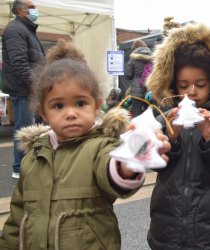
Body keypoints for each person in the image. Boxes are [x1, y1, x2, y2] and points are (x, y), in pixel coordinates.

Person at [0, 40, 170, 249]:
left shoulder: (100, 146)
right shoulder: (32, 158)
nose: (71, 113)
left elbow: (112, 171)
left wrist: (131, 159)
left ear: (97, 105)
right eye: (58, 105)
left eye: (80, 103)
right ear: (42, 112)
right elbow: (17, 217)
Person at [145, 23, 210, 249]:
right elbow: (146, 160)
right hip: (166, 230)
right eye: (183, 85)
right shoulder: (164, 120)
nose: (191, 91)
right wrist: (170, 139)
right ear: (173, 86)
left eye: (200, 84)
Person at [1, 0, 45, 179]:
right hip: (24, 89)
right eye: (32, 7)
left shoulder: (27, 30)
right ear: (21, 10)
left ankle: (29, 164)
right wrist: (37, 84)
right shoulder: (15, 30)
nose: (35, 10)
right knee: (25, 128)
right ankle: (19, 168)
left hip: (31, 89)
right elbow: (19, 64)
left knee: (33, 128)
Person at [124, 39, 152, 117]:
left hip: (136, 91)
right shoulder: (152, 57)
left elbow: (128, 75)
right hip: (149, 90)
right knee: (148, 114)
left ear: (134, 48)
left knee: (136, 114)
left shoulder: (133, 58)